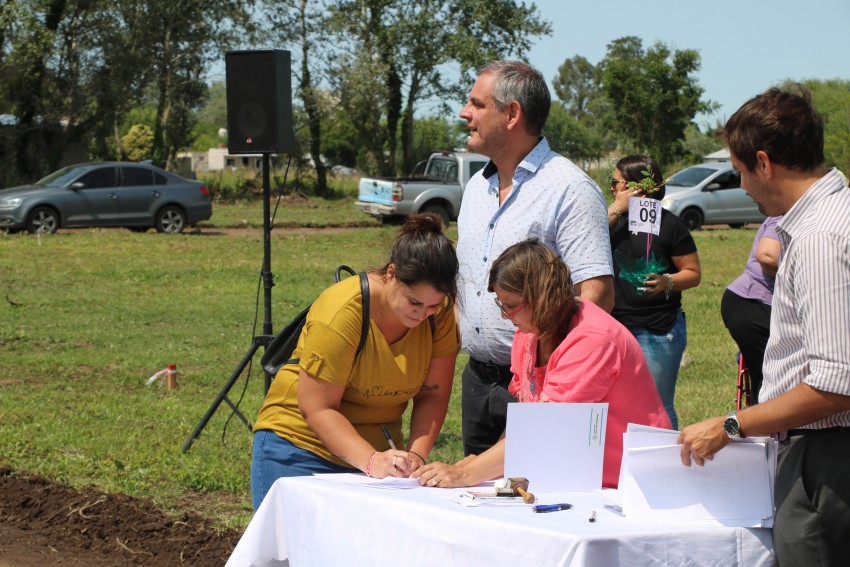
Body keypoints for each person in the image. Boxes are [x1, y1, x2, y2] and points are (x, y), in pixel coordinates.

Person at [678, 86, 850, 566]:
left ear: (764, 162)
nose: (744, 187)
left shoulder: (819, 237)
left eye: (739, 172)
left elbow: (837, 384)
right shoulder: (832, 217)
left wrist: (733, 424)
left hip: (827, 459)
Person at [413, 239, 670, 489]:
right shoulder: (529, 333)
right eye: (501, 304)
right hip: (582, 478)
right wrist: (485, 464)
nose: (505, 315)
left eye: (511, 306)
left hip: (631, 484)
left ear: (542, 298)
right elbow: (529, 421)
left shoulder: (593, 340)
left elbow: (545, 426)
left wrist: (468, 471)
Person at [456, 60, 614, 457]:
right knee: (477, 500)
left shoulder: (570, 188)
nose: (465, 113)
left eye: (477, 104)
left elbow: (596, 295)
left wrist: (544, 367)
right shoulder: (477, 187)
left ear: (512, 114)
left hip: (541, 384)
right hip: (478, 379)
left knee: (537, 497)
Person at [251, 214, 460, 511]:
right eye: (414, 302)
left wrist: (416, 455)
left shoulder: (438, 317)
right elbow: (317, 407)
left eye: (433, 305)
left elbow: (433, 394)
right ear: (391, 274)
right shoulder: (343, 311)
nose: (422, 313)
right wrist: (372, 460)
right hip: (298, 449)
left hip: (379, 464)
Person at [607, 155, 701, 430]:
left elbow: (693, 273)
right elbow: (581, 241)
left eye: (615, 183)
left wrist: (666, 282)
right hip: (616, 330)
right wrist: (615, 209)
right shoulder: (611, 222)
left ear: (637, 187)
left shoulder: (670, 224)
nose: (612, 188)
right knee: (619, 405)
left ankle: (667, 467)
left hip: (658, 331)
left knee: (657, 406)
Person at [720, 216, 781, 403]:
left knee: (767, 380)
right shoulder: (786, 212)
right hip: (753, 302)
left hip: (756, 303)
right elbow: (767, 256)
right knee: (772, 382)